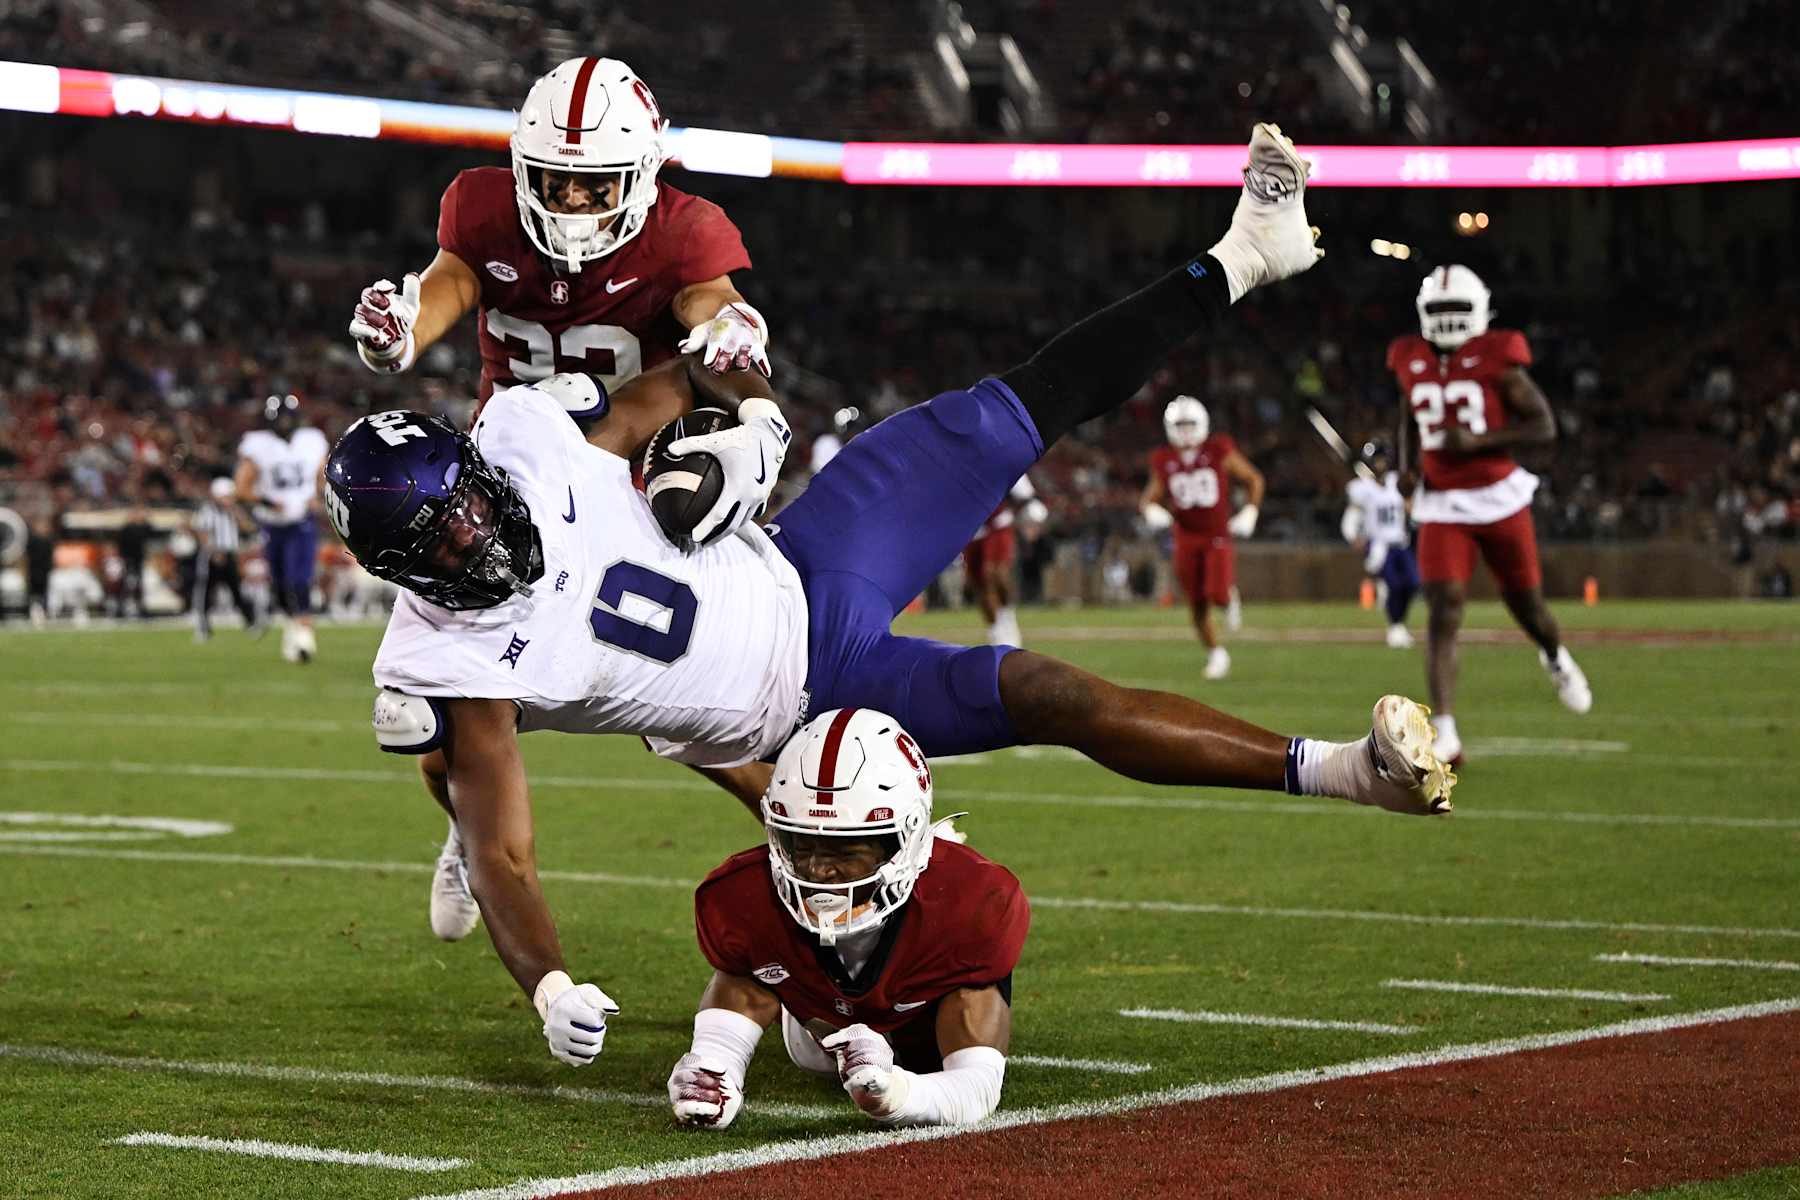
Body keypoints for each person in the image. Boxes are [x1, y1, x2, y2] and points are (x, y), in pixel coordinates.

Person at [329, 125, 1455, 1069]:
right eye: (439, 543)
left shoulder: (522, 433)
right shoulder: (443, 657)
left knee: (1009, 411)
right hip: (803, 702)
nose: (472, 538)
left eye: (466, 506)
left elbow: (651, 400)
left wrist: (741, 417)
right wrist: (548, 981)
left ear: (474, 465)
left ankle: (1242, 255)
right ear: (397, 572)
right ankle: (1344, 771)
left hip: (803, 560)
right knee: (1049, 694)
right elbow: (509, 850)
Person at [667, 708, 1025, 1129]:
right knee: (758, 936)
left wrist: (896, 1092)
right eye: (802, 844)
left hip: (921, 1032)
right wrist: (715, 1060)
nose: (819, 870)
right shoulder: (744, 892)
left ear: (905, 840)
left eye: (845, 848)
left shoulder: (970, 902)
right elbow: (742, 972)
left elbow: (975, 1090)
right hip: (817, 1018)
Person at [348, 57, 770, 411]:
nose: (572, 197)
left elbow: (705, 296)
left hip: (626, 464)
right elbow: (451, 282)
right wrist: (398, 338)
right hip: (503, 460)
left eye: (595, 182)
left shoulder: (682, 230)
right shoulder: (484, 208)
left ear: (642, 176)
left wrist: (728, 318)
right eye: (555, 177)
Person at [1390, 265, 1592, 764]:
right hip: (1442, 501)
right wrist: (1407, 467)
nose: (1448, 318)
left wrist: (1479, 441)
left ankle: (1554, 656)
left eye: (1457, 308)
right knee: (1444, 608)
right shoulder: (1410, 357)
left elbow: (1543, 425)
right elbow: (1409, 417)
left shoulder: (1499, 357)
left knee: (1528, 607)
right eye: (1439, 309)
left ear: (1480, 310)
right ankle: (1446, 730)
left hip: (1498, 497)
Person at [1139, 395, 1264, 679]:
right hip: (1185, 537)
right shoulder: (1164, 459)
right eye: (1179, 425)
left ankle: (1228, 597)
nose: (1185, 432)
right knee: (1195, 602)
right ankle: (1216, 654)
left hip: (1216, 533)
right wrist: (1151, 510)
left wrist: (1250, 511)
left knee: (1216, 594)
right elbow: (1149, 498)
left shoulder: (1218, 449)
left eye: (1190, 425)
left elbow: (1254, 479)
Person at [235, 393, 329, 663]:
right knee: (278, 584)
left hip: (302, 522)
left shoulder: (311, 440)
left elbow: (322, 475)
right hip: (273, 525)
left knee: (299, 580)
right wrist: (267, 501)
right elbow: (241, 487)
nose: (284, 424)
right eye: (281, 419)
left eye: (288, 418)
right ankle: (293, 628)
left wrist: (319, 496)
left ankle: (305, 637)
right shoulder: (258, 445)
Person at [1342, 438, 1418, 649]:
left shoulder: (1397, 482)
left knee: (1413, 582)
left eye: (1382, 459)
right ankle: (1395, 627)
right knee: (1394, 585)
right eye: (1376, 460)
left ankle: (1399, 623)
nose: (1379, 464)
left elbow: (1410, 504)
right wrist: (1352, 535)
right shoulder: (1362, 488)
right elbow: (1352, 515)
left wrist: (1412, 510)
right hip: (1379, 545)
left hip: (1401, 543)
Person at [962, 475, 1037, 646]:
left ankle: (1008, 616)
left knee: (995, 573)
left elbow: (1026, 495)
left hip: (997, 524)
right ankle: (996, 632)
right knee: (978, 583)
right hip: (971, 529)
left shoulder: (993, 460)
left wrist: (1021, 517)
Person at [190, 477, 260, 642]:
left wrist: (237, 513)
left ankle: (250, 623)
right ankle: (203, 628)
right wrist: (213, 551)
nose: (229, 499)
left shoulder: (234, 511)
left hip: (229, 554)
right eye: (226, 496)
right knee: (206, 592)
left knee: (237, 591)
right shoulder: (207, 510)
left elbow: (248, 527)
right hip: (212, 555)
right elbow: (202, 533)